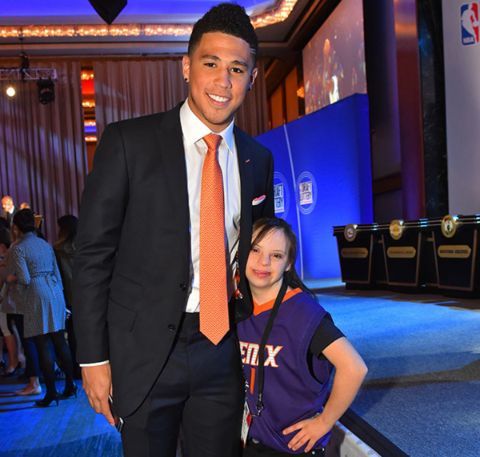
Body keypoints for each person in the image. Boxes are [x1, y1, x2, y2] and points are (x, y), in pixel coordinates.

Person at [72, 3, 274, 457]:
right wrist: (93, 358)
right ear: (186, 67)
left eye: (237, 69)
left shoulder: (257, 159)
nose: (223, 81)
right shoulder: (128, 143)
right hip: (143, 352)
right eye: (211, 64)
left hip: (221, 349)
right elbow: (92, 256)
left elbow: (261, 255)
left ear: (252, 78)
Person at [238, 218, 368, 456]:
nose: (263, 261)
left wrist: (324, 422)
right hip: (252, 442)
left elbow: (354, 367)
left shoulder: (303, 314)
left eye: (276, 255)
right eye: (255, 249)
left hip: (293, 447)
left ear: (288, 263)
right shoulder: (238, 306)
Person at [8, 209, 76, 407]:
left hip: (36, 293)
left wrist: (9, 278)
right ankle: (70, 386)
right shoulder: (45, 244)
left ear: (16, 227)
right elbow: (57, 271)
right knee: (60, 340)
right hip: (55, 289)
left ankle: (52, 393)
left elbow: (24, 279)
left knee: (43, 343)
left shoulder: (18, 248)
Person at [54, 214, 81, 378]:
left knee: (72, 335)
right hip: (87, 294)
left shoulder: (57, 250)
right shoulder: (85, 246)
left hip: (68, 296)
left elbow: (58, 277)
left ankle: (76, 370)